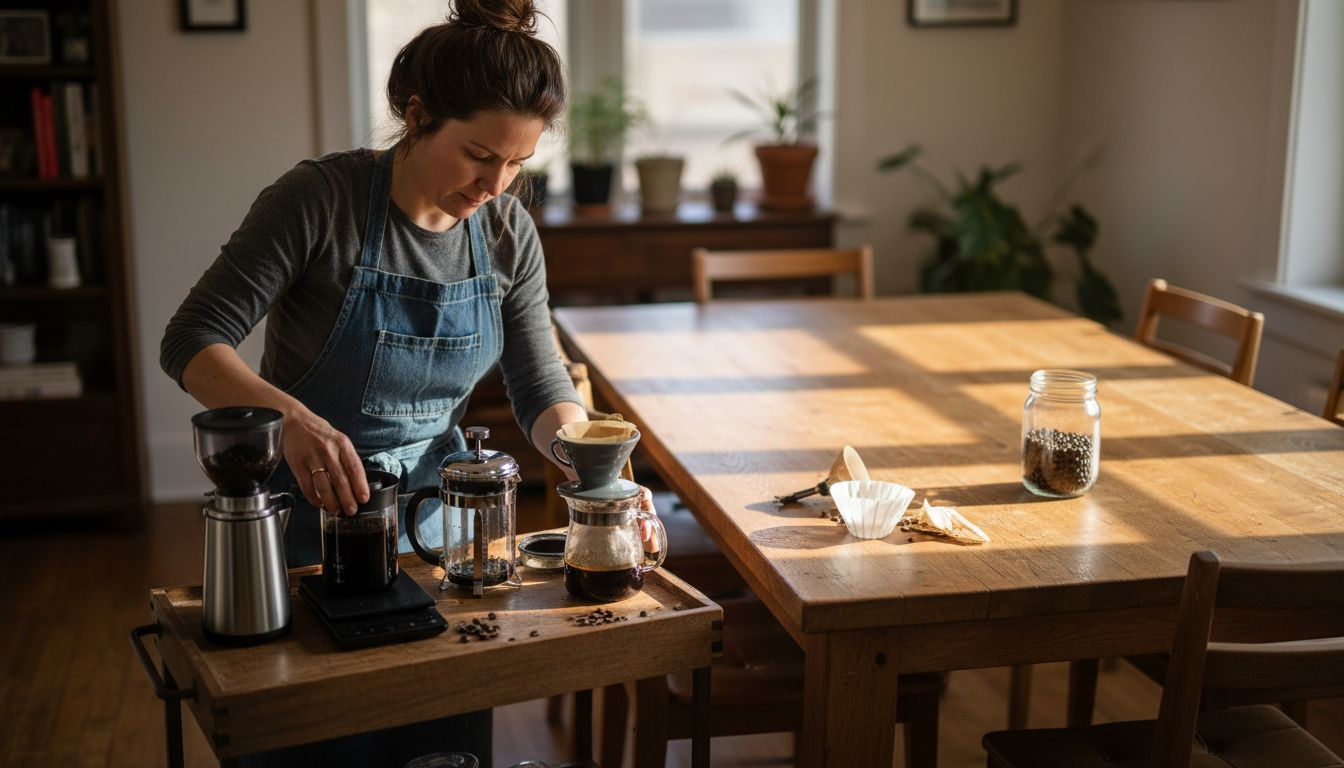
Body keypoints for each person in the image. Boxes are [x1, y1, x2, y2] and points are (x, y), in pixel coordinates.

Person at [161, 1, 590, 764]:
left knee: (439, 746)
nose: (496, 184)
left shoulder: (506, 233)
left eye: (518, 163)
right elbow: (192, 339)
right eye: (479, 155)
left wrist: (595, 469)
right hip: (303, 534)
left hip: (443, 540)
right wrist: (287, 417)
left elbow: (540, 381)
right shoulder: (321, 202)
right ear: (418, 117)